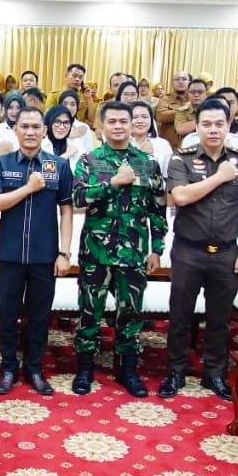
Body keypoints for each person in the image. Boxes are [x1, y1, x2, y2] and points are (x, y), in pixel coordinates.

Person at [161, 98, 238, 401]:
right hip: (188, 250)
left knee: (220, 319)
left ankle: (214, 374)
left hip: (227, 252)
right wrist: (220, 177)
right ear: (197, 127)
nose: (213, 130)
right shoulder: (182, 159)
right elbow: (180, 197)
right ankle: (175, 371)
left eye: (219, 124)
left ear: (229, 126)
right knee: (180, 316)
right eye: (207, 124)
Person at [71, 101, 167, 397]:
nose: (118, 126)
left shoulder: (147, 163)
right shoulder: (89, 160)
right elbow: (78, 197)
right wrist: (112, 184)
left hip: (133, 253)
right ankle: (85, 369)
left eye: (123, 121)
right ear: (101, 126)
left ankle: (128, 370)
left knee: (131, 314)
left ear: (133, 125)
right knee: (90, 312)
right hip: (96, 253)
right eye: (111, 121)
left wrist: (157, 248)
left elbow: (158, 209)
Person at [0, 107, 73, 396]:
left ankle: (35, 369)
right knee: (8, 315)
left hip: (44, 256)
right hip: (10, 255)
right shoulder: (2, 164)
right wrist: (28, 188)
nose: (30, 132)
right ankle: (8, 368)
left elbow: (67, 211)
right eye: (24, 126)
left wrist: (65, 253)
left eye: (36, 126)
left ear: (45, 131)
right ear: (15, 129)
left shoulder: (58, 166)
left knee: (39, 316)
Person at [130, 101, 172, 177]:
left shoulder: (162, 144)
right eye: (135, 117)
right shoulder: (120, 143)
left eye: (144, 117)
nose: (140, 121)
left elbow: (168, 175)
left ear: (151, 120)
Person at [155, 71, 191, 148]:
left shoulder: (193, 100)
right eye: (177, 79)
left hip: (189, 146)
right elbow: (161, 116)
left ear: (189, 82)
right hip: (169, 147)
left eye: (184, 79)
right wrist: (182, 109)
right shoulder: (165, 99)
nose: (180, 82)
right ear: (172, 83)